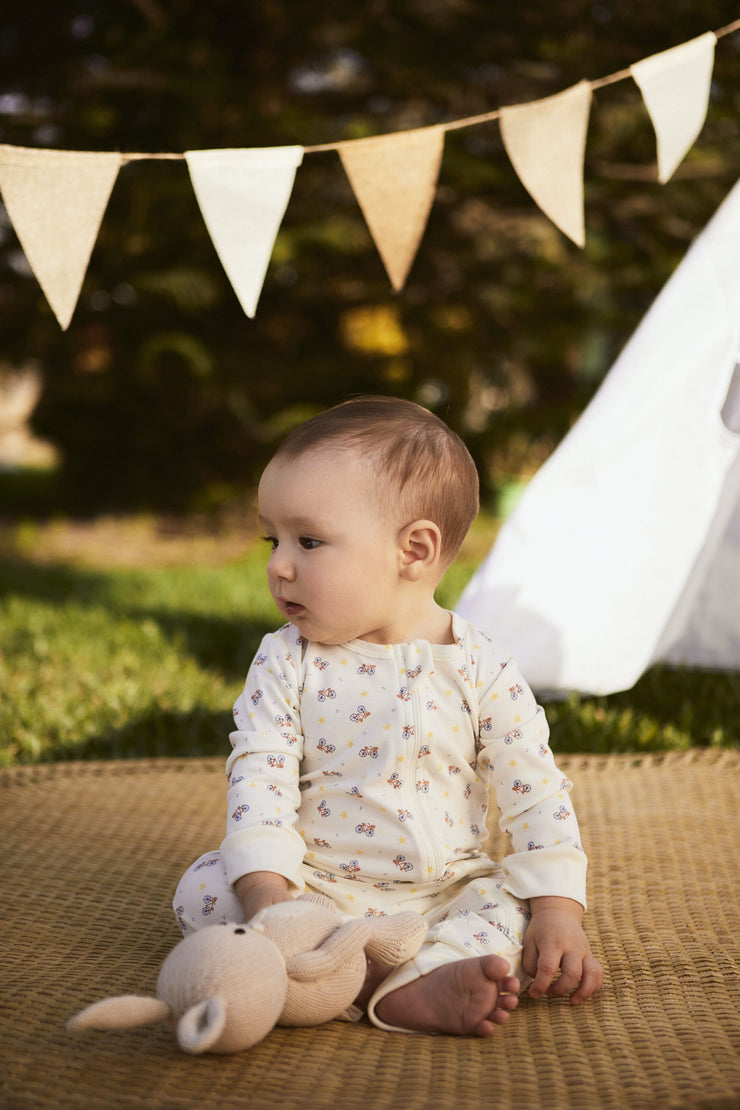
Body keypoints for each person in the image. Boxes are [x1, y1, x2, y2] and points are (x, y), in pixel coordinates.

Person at [174, 395, 603, 1036]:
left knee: (512, 911)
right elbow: (258, 779)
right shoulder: (287, 660)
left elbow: (536, 792)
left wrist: (559, 912)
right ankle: (383, 983)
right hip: (315, 890)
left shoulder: (482, 668)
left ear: (414, 550)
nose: (277, 565)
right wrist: (270, 896)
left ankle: (367, 976)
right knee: (206, 889)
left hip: (444, 892)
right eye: (273, 539)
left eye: (308, 541)